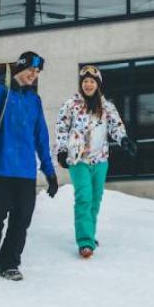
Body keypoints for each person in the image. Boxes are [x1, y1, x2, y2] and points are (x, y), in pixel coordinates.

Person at [0, 51, 58, 281]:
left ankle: (10, 262)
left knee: (21, 220)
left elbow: (41, 137)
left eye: (37, 72)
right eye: (31, 69)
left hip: (25, 173)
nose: (34, 74)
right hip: (0, 169)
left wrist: (49, 172)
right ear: (20, 67)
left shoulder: (34, 101)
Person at [55, 64, 136, 258]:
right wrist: (61, 151)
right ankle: (85, 242)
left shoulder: (107, 106)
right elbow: (61, 128)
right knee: (84, 198)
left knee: (95, 200)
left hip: (100, 160)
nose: (88, 85)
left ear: (98, 84)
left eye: (92, 81)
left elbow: (116, 126)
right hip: (78, 159)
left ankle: (89, 233)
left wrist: (124, 140)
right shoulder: (71, 104)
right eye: (85, 81)